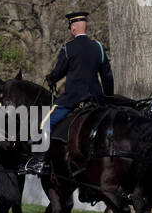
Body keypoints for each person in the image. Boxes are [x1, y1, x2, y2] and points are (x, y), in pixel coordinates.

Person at [21, 10, 113, 175]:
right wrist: (107, 97)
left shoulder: (68, 47)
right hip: (96, 98)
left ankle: (40, 162)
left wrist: (51, 78)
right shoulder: (98, 47)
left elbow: (59, 71)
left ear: (73, 28)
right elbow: (107, 74)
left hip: (73, 97)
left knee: (45, 123)